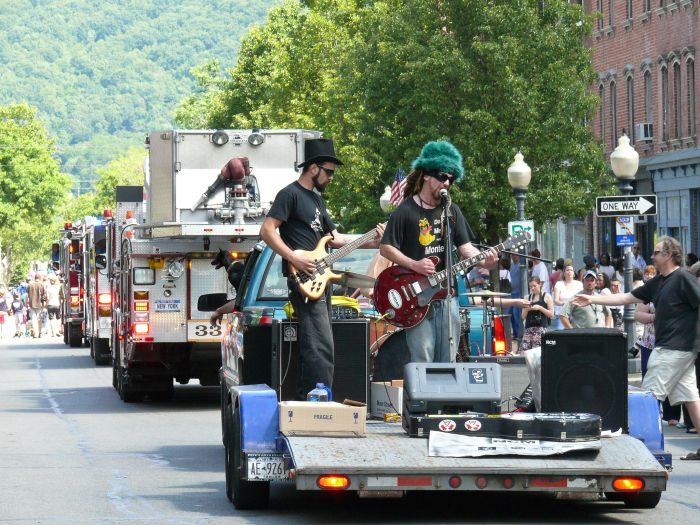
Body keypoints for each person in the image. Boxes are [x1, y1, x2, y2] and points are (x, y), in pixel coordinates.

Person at [216, 138, 381, 400]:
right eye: (329, 171)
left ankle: (309, 400)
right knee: (320, 346)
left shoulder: (317, 201)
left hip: (320, 278)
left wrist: (372, 239)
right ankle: (320, 401)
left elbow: (335, 239)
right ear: (313, 168)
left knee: (318, 345)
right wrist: (294, 257)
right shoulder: (290, 194)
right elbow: (267, 230)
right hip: (303, 278)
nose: (331, 177)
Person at [572, 236, 700, 461]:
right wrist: (592, 301)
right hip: (675, 348)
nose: (652, 256)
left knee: (647, 398)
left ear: (669, 255)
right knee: (691, 397)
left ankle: (641, 455)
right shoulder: (659, 281)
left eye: (657, 252)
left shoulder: (683, 278)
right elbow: (628, 297)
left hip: (674, 348)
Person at [379, 140, 499, 363]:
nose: (446, 183)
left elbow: (466, 248)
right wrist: (414, 264)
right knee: (422, 356)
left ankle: (444, 399)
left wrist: (485, 261)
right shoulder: (405, 210)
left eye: (451, 179)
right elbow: (386, 247)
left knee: (447, 358)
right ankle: (423, 398)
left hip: (446, 296)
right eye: (442, 176)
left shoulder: (452, 211)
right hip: (415, 296)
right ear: (426, 174)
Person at [520, 277, 554, 352]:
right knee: (523, 353)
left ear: (540, 285)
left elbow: (551, 315)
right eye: (530, 286)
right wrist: (528, 308)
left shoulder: (546, 296)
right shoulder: (527, 297)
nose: (532, 288)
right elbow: (523, 316)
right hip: (528, 329)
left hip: (541, 329)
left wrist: (540, 308)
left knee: (538, 353)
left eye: (534, 286)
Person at [553, 264, 583, 330]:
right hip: (562, 314)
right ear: (563, 273)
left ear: (574, 273)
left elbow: (582, 298)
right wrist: (566, 304)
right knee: (560, 336)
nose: (569, 272)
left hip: (576, 314)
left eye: (571, 270)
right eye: (567, 270)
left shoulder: (579, 284)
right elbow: (556, 300)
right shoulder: (559, 284)